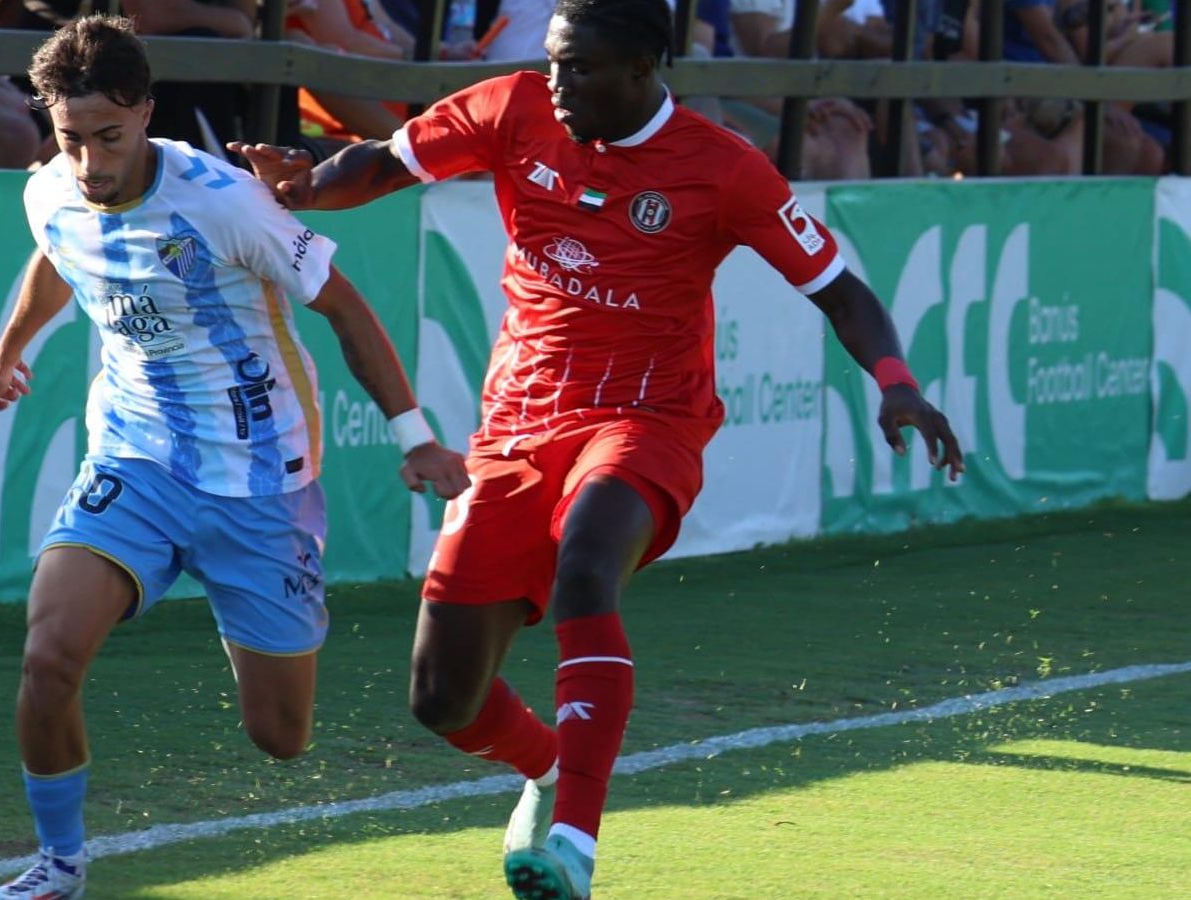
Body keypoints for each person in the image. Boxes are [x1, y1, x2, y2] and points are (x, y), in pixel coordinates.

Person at [230, 0, 965, 896]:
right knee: (442, 699)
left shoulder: (723, 167)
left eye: (579, 68)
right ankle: (548, 768)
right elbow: (385, 162)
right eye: (553, 62)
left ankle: (575, 840)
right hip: (518, 427)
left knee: (586, 560)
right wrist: (307, 187)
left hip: (648, 420)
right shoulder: (513, 107)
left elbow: (840, 290)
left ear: (643, 70)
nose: (557, 83)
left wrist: (897, 382)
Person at [0, 15, 469, 899]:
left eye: (108, 137)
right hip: (135, 458)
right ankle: (58, 866)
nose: (89, 162)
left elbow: (345, 308)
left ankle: (247, 601)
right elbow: (56, 253)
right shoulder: (50, 190)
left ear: (146, 111)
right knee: (48, 656)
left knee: (281, 736)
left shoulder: (225, 201)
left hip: (260, 481)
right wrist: (12, 347)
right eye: (71, 138)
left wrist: (416, 436)